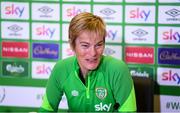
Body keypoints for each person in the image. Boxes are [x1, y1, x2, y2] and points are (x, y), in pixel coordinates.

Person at [39, 12, 136, 112]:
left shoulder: (118, 69)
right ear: (72, 45)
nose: (93, 53)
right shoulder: (61, 69)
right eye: (85, 45)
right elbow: (47, 109)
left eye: (98, 45)